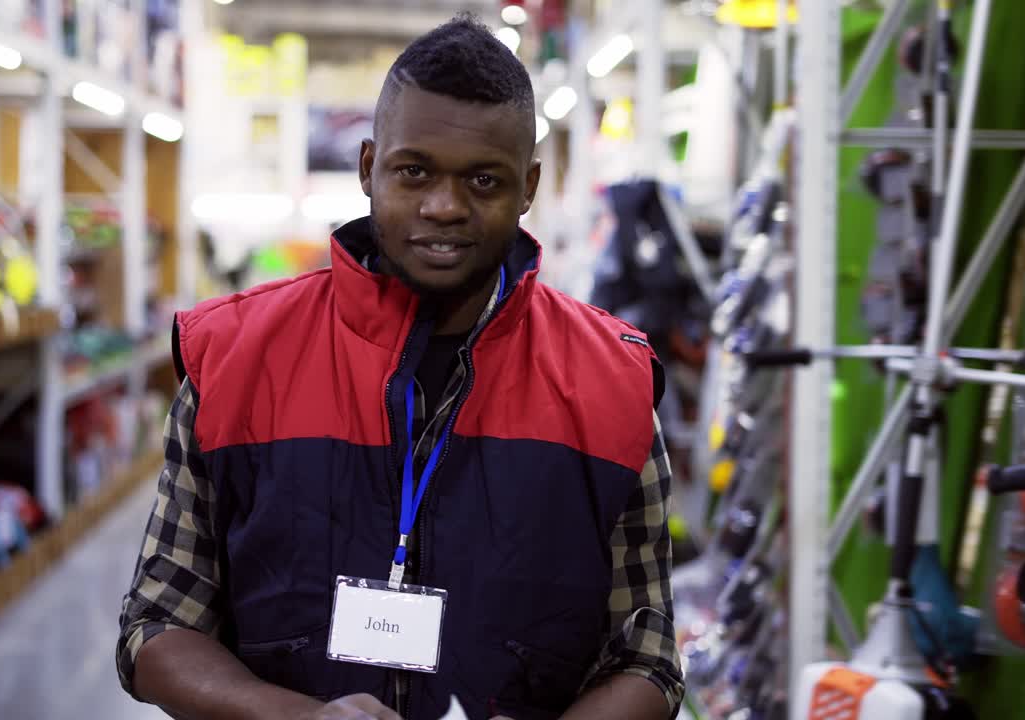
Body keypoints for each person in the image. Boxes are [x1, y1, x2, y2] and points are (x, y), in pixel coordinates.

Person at [117, 15, 683, 720]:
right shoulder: (235, 358)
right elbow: (157, 624)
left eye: (484, 180)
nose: (444, 207)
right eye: (413, 171)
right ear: (366, 167)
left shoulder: (612, 383)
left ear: (529, 186)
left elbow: (648, 653)